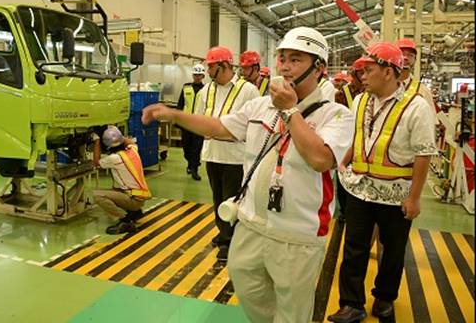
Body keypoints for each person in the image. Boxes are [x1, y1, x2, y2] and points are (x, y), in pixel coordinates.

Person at [142, 27, 354, 322]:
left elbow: (320, 159)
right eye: (282, 58)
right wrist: (174, 114)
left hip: (297, 234)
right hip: (251, 224)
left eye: (295, 60)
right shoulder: (261, 106)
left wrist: (291, 111)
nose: (285, 66)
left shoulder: (337, 115)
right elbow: (219, 127)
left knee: (293, 310)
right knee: (247, 285)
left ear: (319, 68)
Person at [328, 42, 437, 323]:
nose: (362, 76)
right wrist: (344, 160)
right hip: (360, 190)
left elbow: (424, 153)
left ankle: (385, 298)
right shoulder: (363, 100)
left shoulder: (416, 107)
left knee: (392, 250)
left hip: (395, 195)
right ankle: (352, 304)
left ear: (389, 72)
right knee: (354, 248)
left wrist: (414, 197)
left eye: (369, 70)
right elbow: (358, 137)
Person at [192, 46, 260, 260]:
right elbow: (199, 118)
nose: (207, 71)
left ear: (224, 65)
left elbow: (253, 125)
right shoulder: (206, 91)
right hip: (212, 154)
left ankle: (232, 241)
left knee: (233, 199)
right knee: (217, 197)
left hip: (236, 157)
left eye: (211, 66)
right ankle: (223, 234)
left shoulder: (248, 91)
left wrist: (225, 134)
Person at [92, 126, 152, 234]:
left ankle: (125, 220)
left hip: (132, 200)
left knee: (97, 195)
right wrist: (116, 133)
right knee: (116, 187)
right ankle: (134, 212)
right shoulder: (133, 150)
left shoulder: (114, 158)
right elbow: (128, 141)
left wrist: (96, 141)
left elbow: (96, 162)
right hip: (139, 197)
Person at [333, 56, 368, 221]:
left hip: (365, 142)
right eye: (361, 73)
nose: (364, 76)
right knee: (343, 176)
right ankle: (345, 211)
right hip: (346, 139)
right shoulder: (342, 94)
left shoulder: (372, 92)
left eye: (367, 72)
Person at [176, 64, 206, 181]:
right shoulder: (186, 87)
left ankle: (194, 169)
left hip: (199, 123)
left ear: (203, 76)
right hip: (186, 123)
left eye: (199, 75)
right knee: (186, 147)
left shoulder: (207, 89)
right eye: (195, 74)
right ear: (193, 75)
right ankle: (190, 163)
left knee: (196, 148)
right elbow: (180, 104)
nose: (197, 77)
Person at [396, 38, 437, 118]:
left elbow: (431, 121)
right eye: (402, 54)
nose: (405, 58)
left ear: (415, 60)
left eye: (410, 55)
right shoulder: (384, 87)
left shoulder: (422, 91)